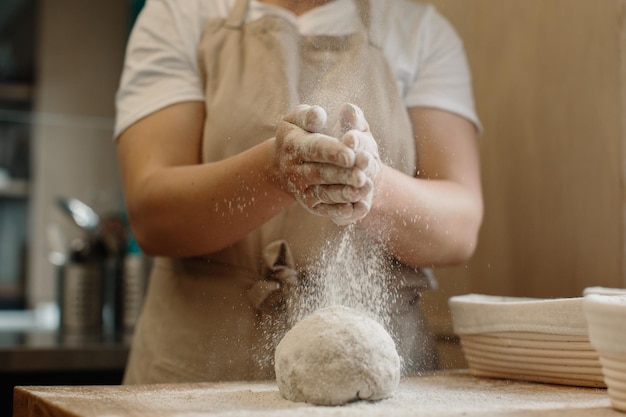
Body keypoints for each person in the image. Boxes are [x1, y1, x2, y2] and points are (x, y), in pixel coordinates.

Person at [114, 0, 483, 384]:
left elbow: (458, 229)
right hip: (197, 371)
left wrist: (367, 183)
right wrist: (275, 173)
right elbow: (152, 216)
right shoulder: (181, 14)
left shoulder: (418, 32)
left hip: (382, 384)